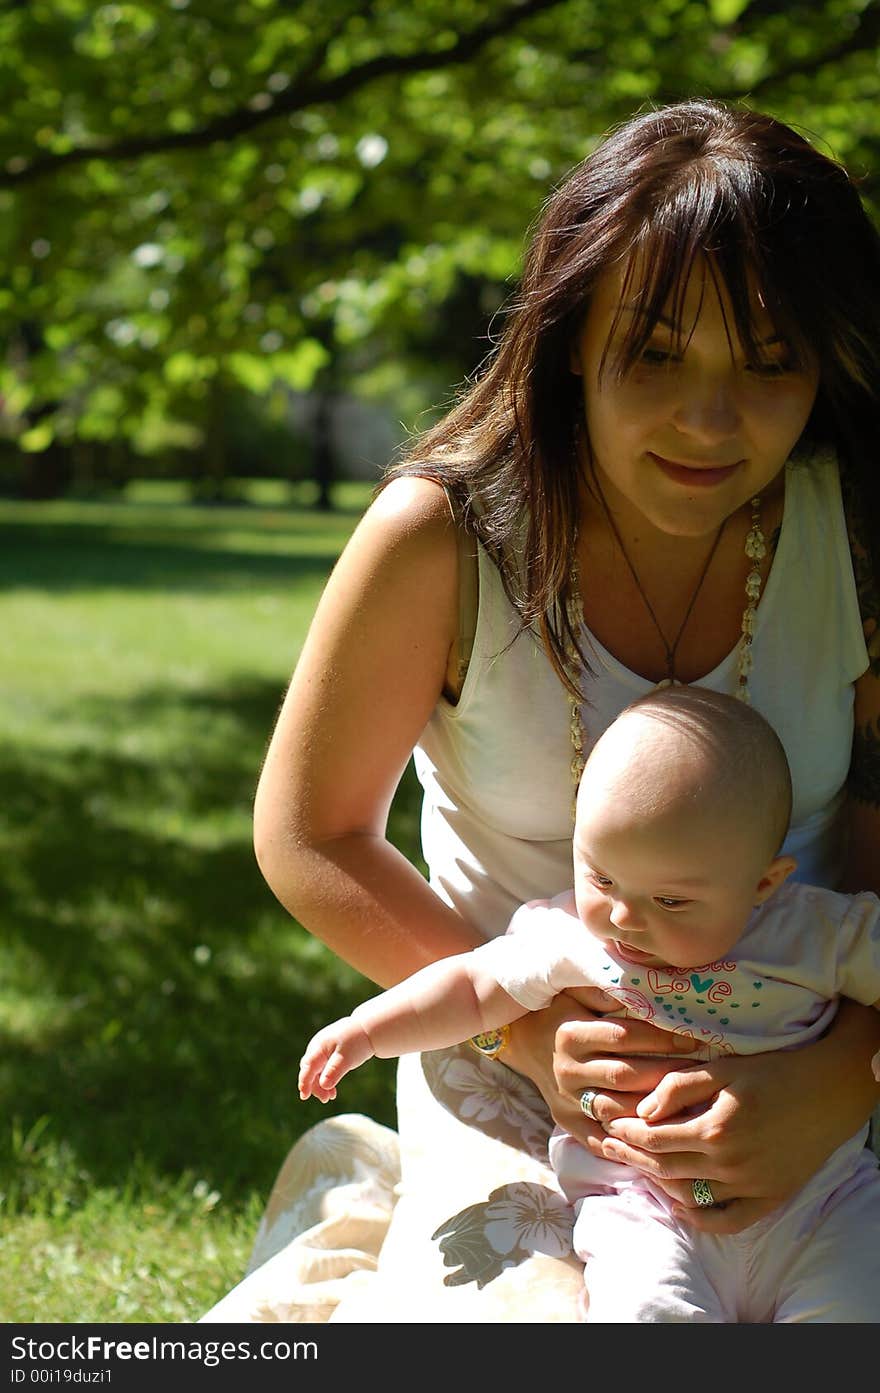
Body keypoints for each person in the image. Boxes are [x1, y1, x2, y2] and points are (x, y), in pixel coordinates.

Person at [201, 97, 880, 1324]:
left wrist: (841, 1076)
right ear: (573, 336)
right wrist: (530, 1039)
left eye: (769, 360)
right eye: (656, 352)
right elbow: (309, 832)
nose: (709, 418)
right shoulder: (446, 535)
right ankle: (364, 1206)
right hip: (511, 1052)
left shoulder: (858, 533)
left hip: (828, 1056)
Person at [298, 688, 880, 1322]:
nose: (625, 919)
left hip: (819, 1203)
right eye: (602, 878)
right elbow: (469, 987)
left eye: (673, 901)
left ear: (765, 882)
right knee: (643, 1314)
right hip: (645, 1210)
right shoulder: (570, 936)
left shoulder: (819, 934)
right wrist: (366, 1030)